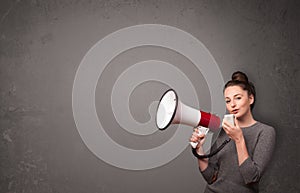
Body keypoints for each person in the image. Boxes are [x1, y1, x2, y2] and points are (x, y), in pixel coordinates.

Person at [190, 71, 276, 193]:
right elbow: (210, 178)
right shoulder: (222, 132)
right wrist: (199, 150)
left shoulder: (265, 132)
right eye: (228, 101)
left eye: (238, 98)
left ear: (250, 98)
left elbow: (251, 177)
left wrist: (239, 139)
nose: (233, 105)